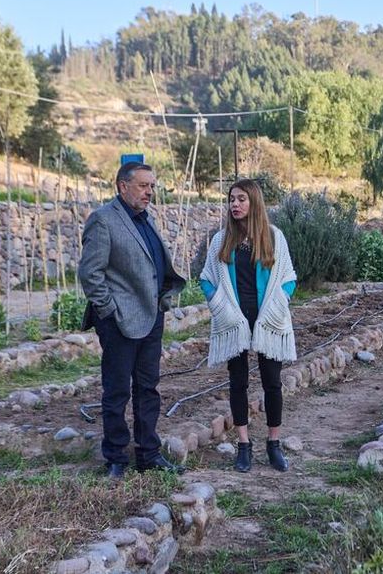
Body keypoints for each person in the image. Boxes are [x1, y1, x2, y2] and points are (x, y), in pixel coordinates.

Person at [79, 161, 187, 479]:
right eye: (143, 185)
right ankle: (115, 457)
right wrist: (109, 311)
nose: (149, 192)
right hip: (119, 321)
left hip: (151, 316)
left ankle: (148, 454)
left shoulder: (145, 219)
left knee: (148, 388)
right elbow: (90, 272)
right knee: (116, 391)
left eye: (152, 186)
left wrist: (162, 299)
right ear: (123, 186)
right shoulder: (103, 220)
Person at [199, 178, 297, 473]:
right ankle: (244, 445)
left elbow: (289, 278)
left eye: (241, 199)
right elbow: (206, 278)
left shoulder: (274, 237)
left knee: (272, 382)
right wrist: (219, 304)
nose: (235, 204)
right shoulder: (221, 240)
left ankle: (274, 443)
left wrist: (280, 303)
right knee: (238, 382)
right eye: (231, 199)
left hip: (269, 318)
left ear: (254, 202)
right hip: (234, 320)